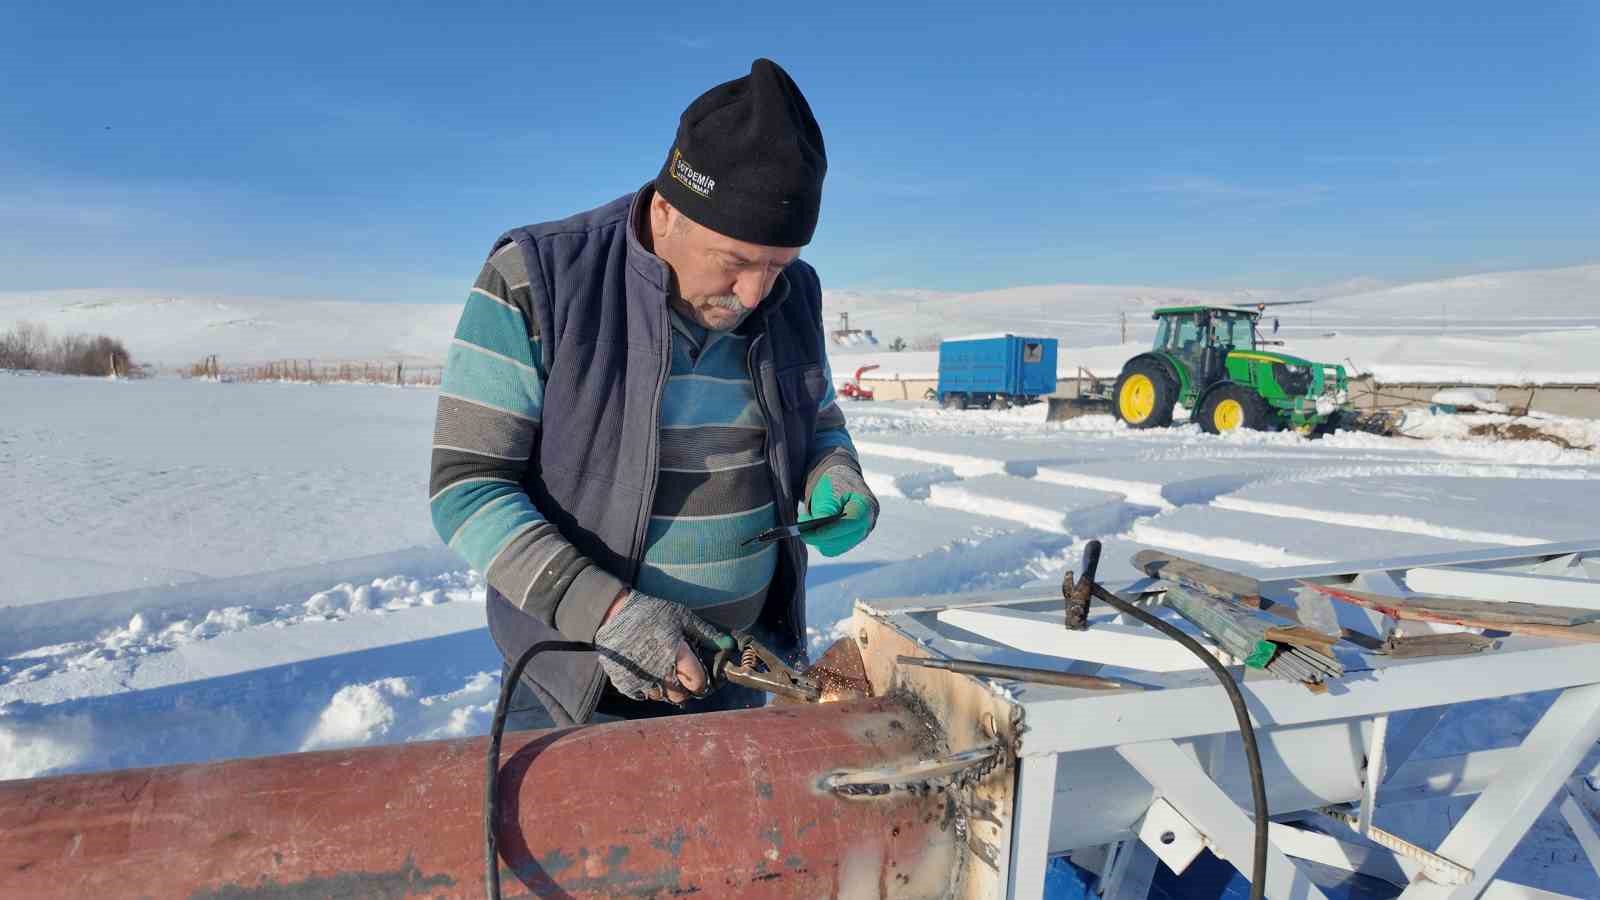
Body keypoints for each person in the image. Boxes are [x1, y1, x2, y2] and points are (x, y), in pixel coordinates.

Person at [428, 59, 877, 726]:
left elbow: (814, 416)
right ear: (667, 209)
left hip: (741, 668)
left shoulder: (792, 295)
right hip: (582, 683)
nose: (755, 294)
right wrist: (611, 614)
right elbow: (466, 488)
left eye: (778, 264)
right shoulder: (538, 279)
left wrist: (833, 468)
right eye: (735, 261)